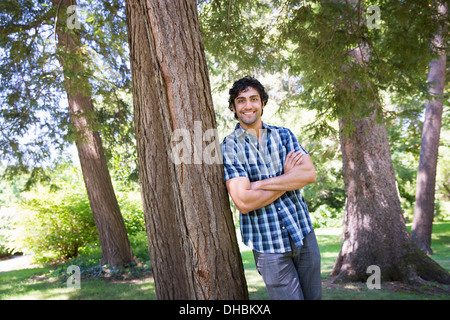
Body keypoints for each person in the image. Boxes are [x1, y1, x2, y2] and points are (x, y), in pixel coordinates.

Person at [221, 76, 322, 300]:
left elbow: (308, 174)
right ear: (233, 107)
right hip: (269, 246)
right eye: (241, 100)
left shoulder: (284, 135)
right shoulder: (229, 146)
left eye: (254, 99)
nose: (248, 105)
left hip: (304, 234)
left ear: (263, 103)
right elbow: (244, 201)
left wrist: (258, 185)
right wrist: (288, 178)